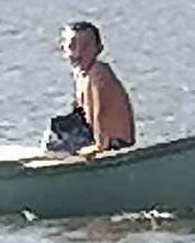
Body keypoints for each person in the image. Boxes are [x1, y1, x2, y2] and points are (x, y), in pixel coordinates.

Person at [45, 20, 135, 157]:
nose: (79, 52)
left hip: (114, 143)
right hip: (95, 134)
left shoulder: (97, 74)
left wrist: (98, 146)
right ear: (63, 49)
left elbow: (100, 112)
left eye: (85, 46)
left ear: (99, 48)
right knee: (56, 132)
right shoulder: (80, 74)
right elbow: (81, 111)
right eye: (73, 46)